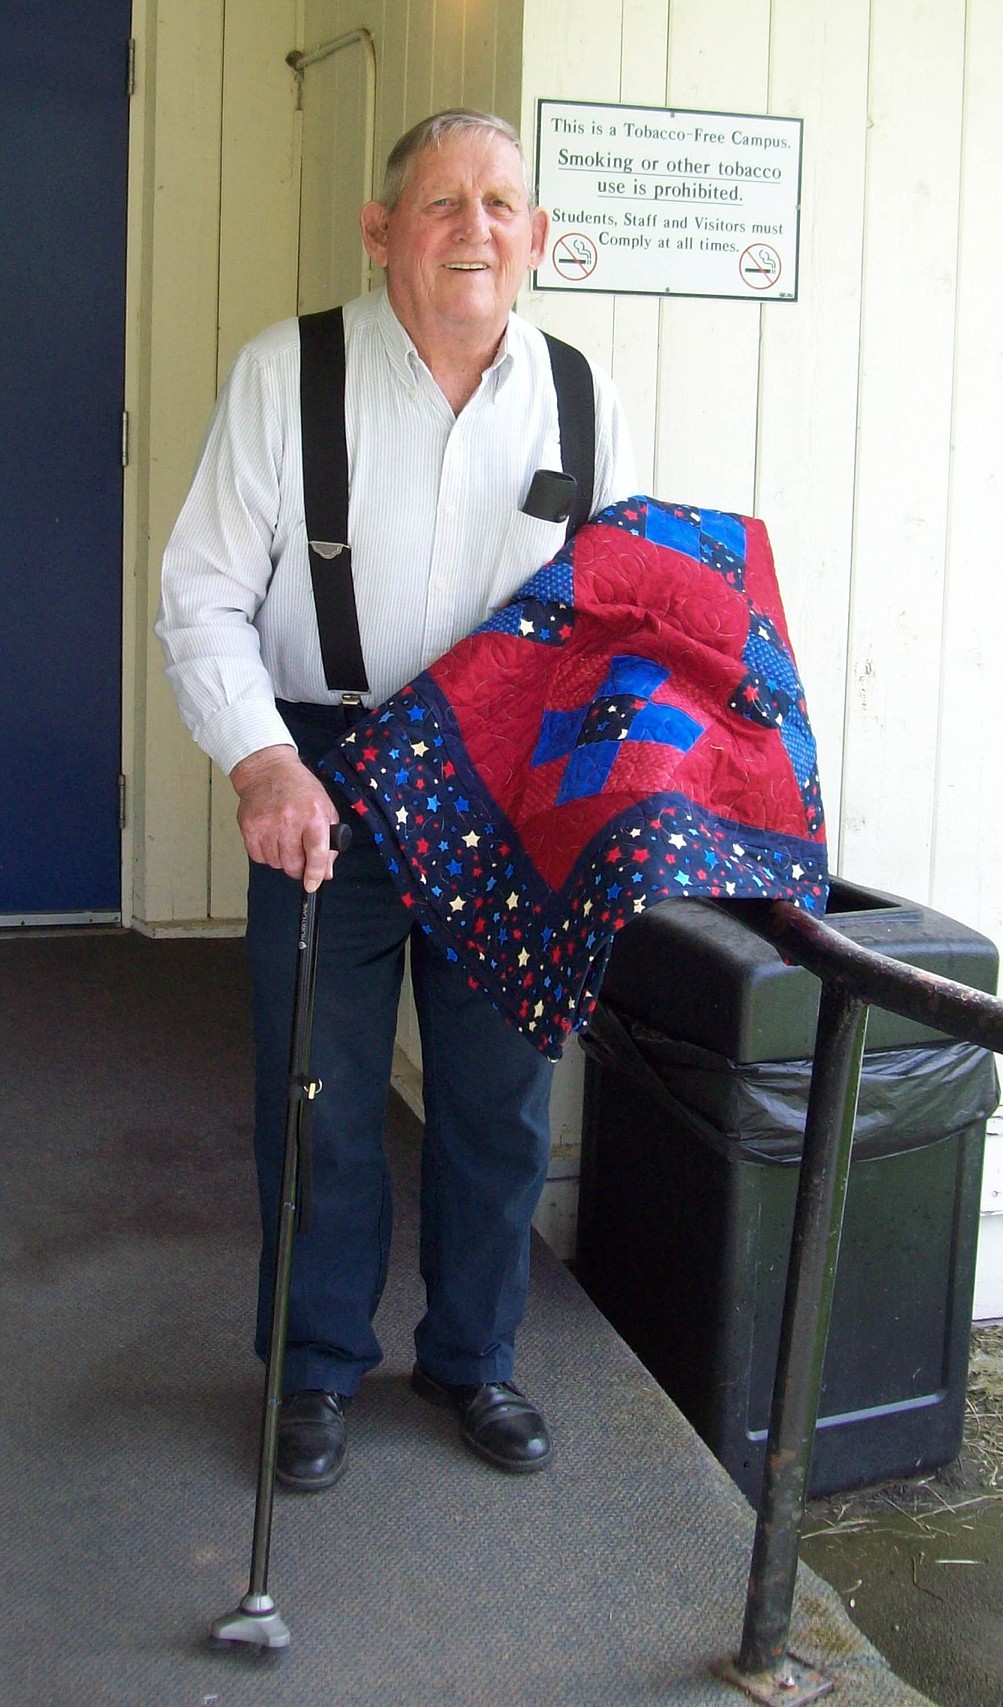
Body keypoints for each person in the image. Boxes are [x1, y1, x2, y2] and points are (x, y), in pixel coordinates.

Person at [156, 109, 636, 1490]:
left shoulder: (582, 395)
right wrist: (261, 760)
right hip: (328, 774)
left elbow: (603, 618)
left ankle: (475, 1360)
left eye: (500, 205)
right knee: (320, 1092)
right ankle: (312, 1372)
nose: (473, 229)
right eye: (442, 204)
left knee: (498, 1102)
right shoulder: (283, 374)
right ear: (382, 232)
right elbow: (201, 597)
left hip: (505, 793)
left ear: (536, 237)